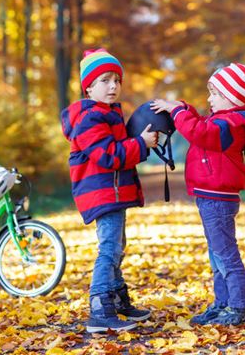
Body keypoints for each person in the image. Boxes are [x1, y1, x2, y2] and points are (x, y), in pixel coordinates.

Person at [151, 62, 245, 326]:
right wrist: (179, 107)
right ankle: (223, 302)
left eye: (214, 93)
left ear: (231, 97)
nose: (209, 98)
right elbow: (202, 123)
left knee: (225, 253)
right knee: (217, 254)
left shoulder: (232, 125)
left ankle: (238, 306)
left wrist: (179, 111)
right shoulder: (224, 121)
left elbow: (199, 132)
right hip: (210, 195)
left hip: (217, 197)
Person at [61, 48, 158, 333]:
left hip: (113, 192)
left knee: (117, 247)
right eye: (104, 80)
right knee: (109, 250)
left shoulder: (110, 112)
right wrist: (141, 143)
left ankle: (116, 299)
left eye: (117, 80)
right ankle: (100, 309)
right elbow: (107, 155)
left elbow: (119, 150)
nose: (113, 86)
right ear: (88, 86)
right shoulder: (89, 117)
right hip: (102, 192)